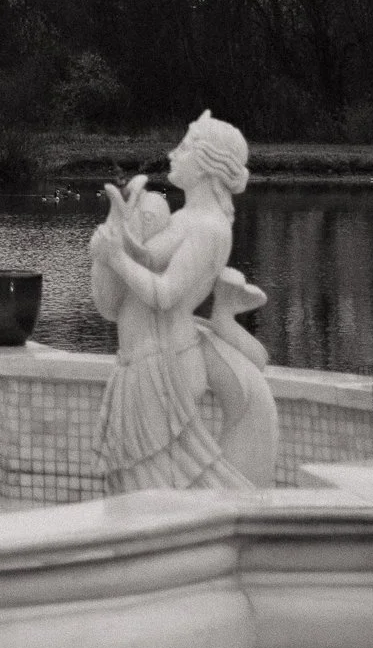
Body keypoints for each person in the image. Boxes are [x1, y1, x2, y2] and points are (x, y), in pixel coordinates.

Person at [89, 112, 261, 494]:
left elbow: (166, 295)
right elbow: (143, 265)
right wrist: (121, 230)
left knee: (151, 493)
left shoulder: (210, 228)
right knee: (133, 489)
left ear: (208, 162)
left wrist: (117, 256)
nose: (173, 153)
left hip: (165, 363)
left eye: (185, 147)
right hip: (143, 359)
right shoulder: (187, 218)